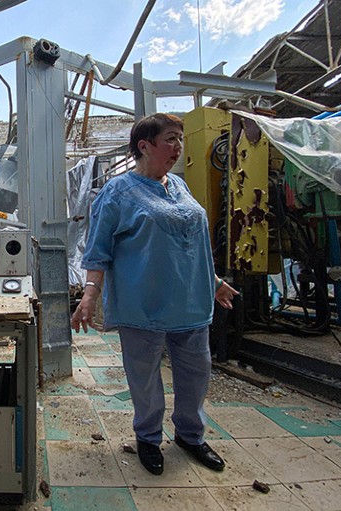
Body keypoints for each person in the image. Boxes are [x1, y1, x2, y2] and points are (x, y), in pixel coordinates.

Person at [71, 113, 238, 476]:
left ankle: (190, 436)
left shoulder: (180, 187)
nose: (178, 147)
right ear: (144, 146)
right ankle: (148, 438)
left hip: (191, 302)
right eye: (170, 139)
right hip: (142, 303)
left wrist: (214, 282)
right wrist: (89, 294)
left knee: (196, 374)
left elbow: (192, 242)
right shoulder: (117, 192)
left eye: (180, 139)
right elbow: (98, 249)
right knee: (145, 378)